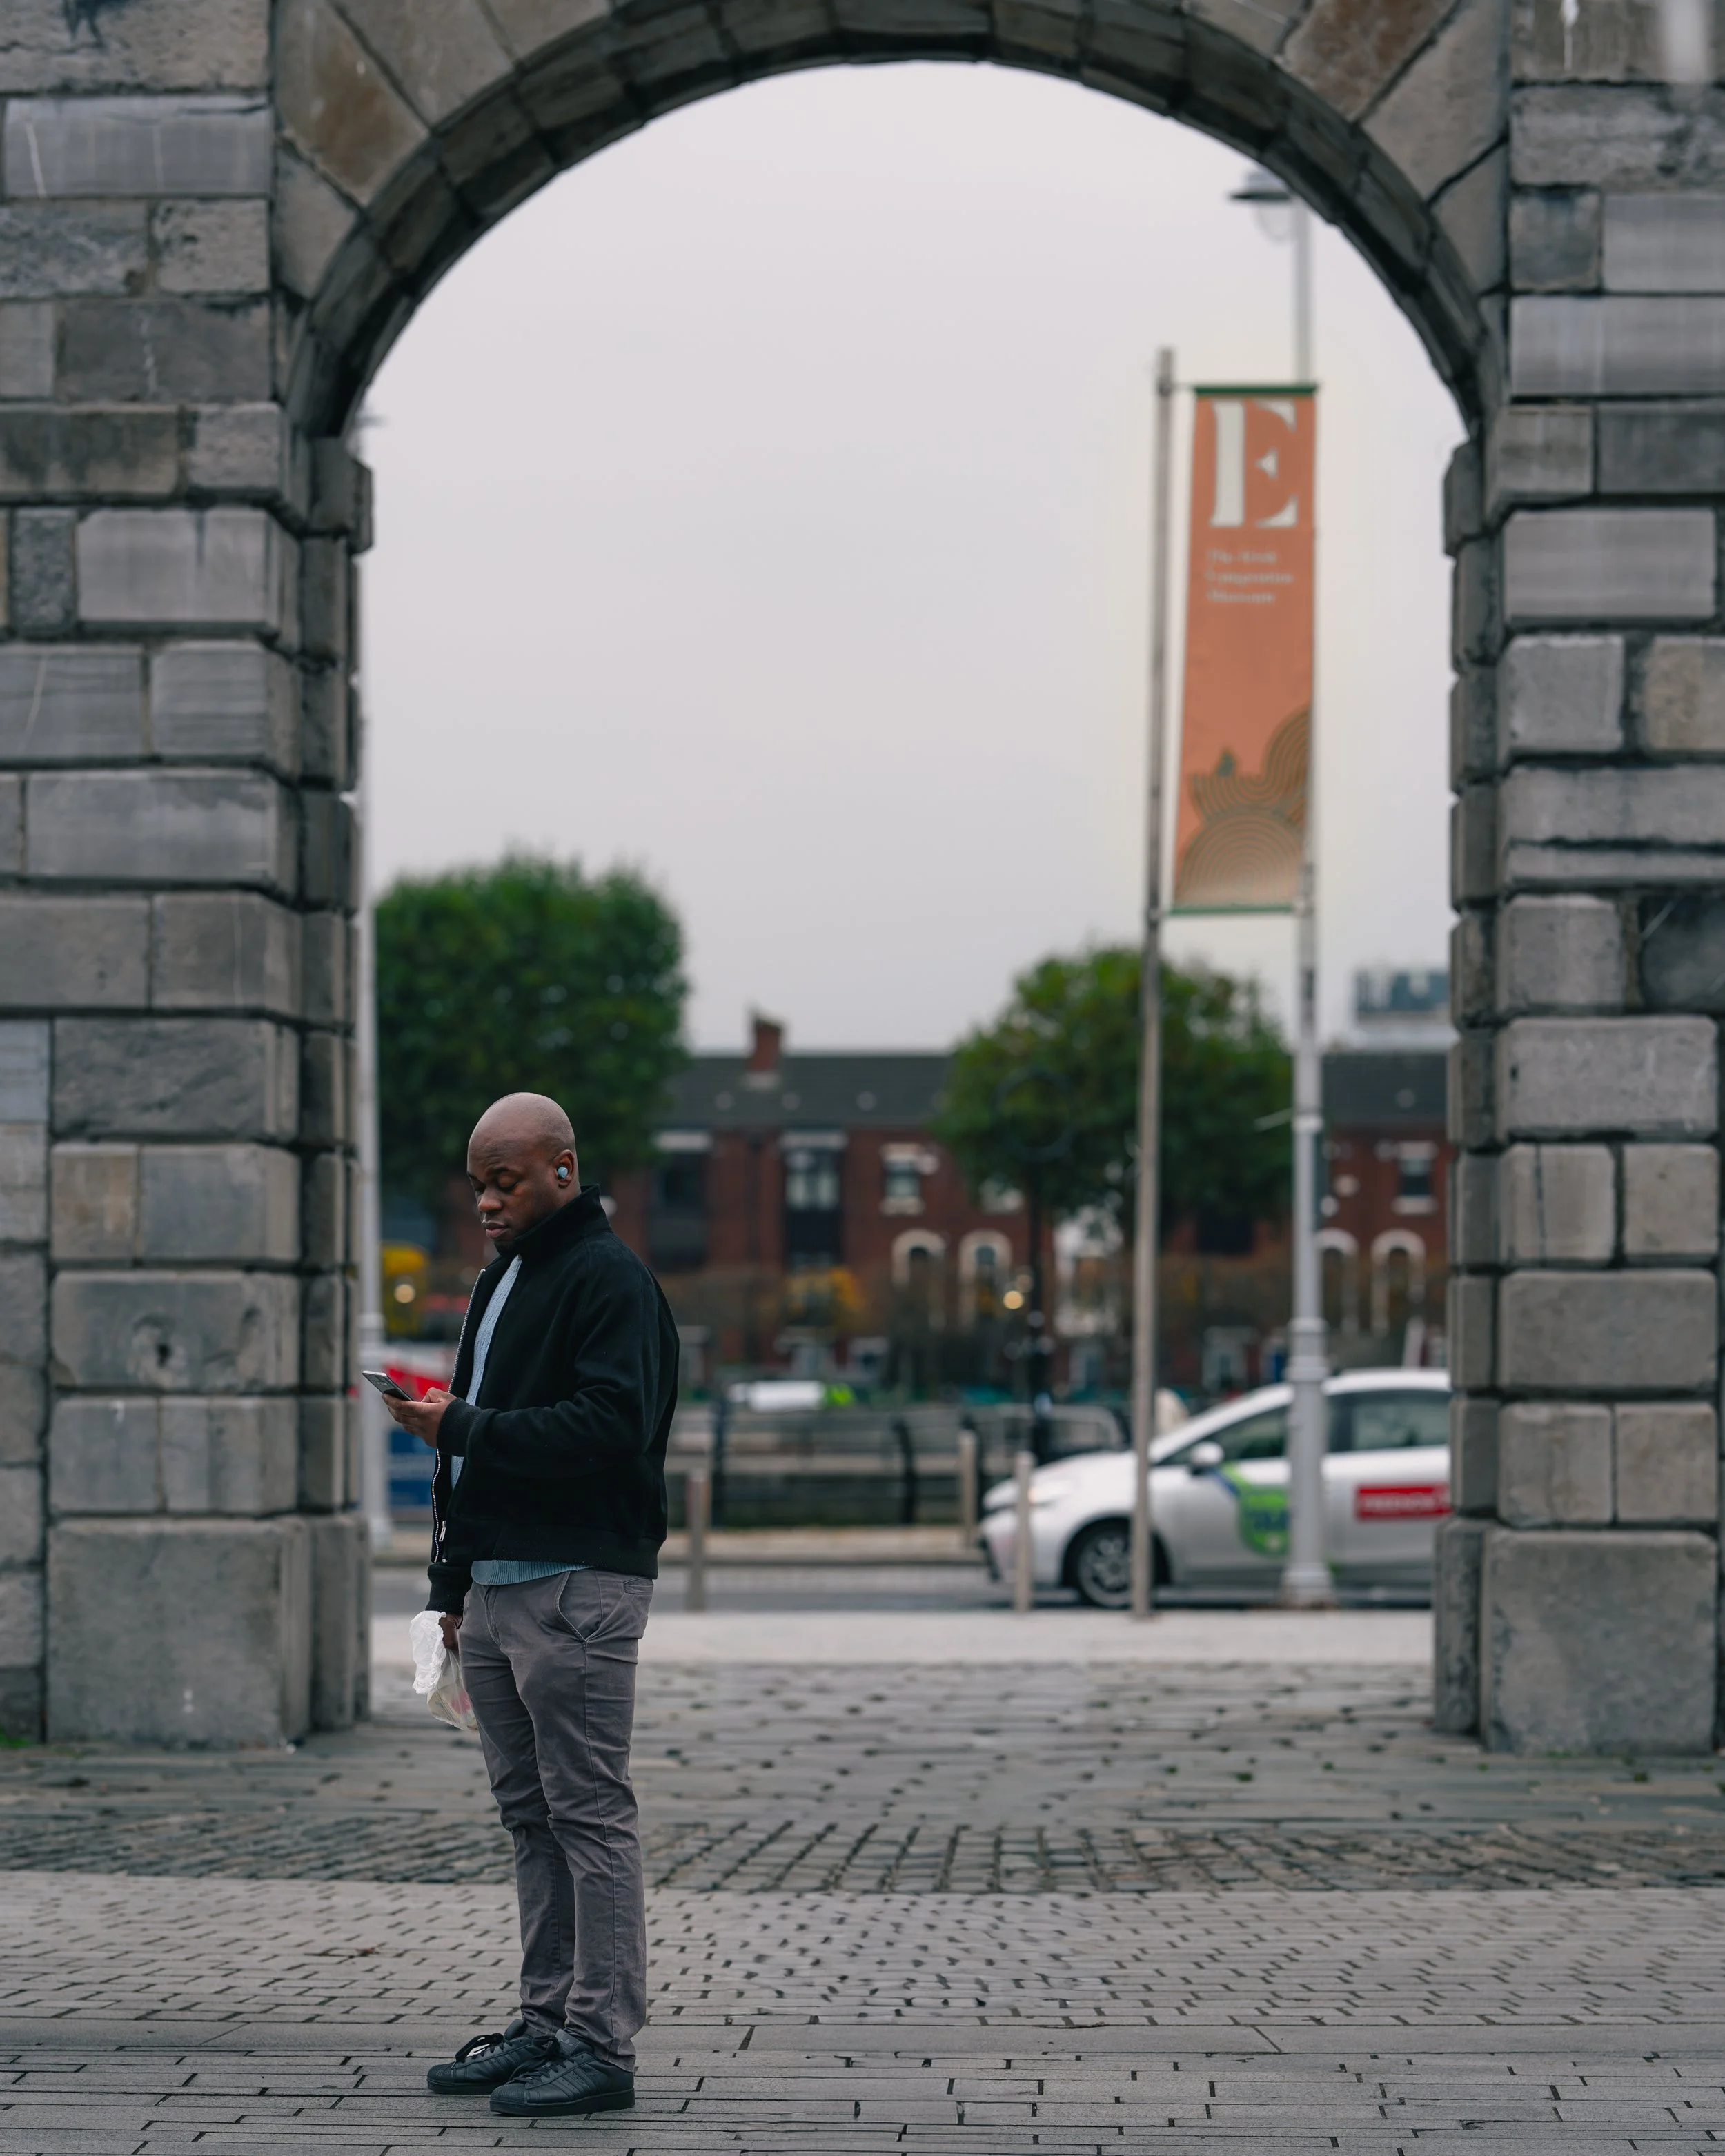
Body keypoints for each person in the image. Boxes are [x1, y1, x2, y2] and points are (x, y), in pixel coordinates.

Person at [383, 1091, 678, 2119]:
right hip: (501, 1589)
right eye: (477, 1185)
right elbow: (476, 1450)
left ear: (563, 1168)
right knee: (531, 1818)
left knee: (590, 1816)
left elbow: (610, 1422)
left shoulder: (609, 1279)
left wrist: (460, 1424)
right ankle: (549, 2022)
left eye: (505, 1180)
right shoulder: (501, 1280)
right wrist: (450, 1588)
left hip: (578, 1584)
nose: (488, 1203)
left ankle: (601, 2045)